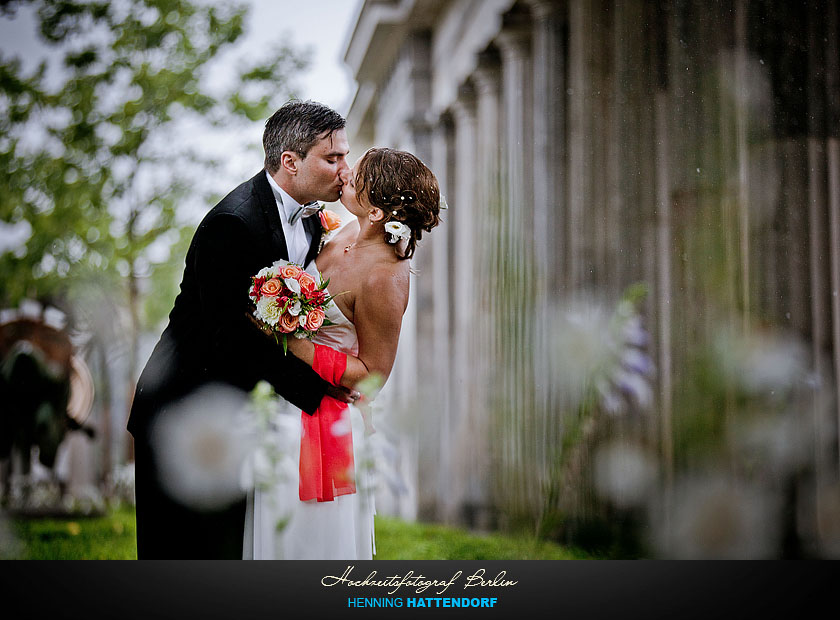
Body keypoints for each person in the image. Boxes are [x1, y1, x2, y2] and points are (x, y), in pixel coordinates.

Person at [127, 100, 358, 559]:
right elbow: (230, 338)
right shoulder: (233, 224)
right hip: (185, 404)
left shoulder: (314, 219)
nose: (345, 170)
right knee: (188, 555)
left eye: (344, 156)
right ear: (289, 162)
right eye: (332, 159)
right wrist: (320, 393)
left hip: (243, 408)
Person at [243, 146, 441, 560]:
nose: (345, 174)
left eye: (355, 178)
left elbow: (374, 373)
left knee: (311, 542)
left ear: (375, 214)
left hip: (323, 420)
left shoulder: (384, 279)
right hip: (284, 399)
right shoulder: (345, 232)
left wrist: (292, 341)